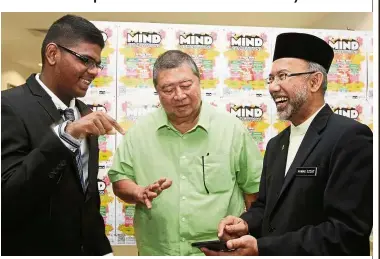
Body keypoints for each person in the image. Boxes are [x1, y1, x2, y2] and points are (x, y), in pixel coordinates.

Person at [201, 32, 373, 256]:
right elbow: (265, 206)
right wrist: (244, 224)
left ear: (314, 81)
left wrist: (262, 248)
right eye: (271, 79)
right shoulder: (276, 144)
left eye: (283, 76)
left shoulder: (350, 137)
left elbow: (345, 232)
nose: (273, 87)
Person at [108, 50, 263, 255]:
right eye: (168, 89)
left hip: (219, 253)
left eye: (186, 85)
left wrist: (251, 236)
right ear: (157, 91)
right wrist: (138, 192)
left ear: (200, 82)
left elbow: (254, 193)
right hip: (157, 251)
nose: (179, 95)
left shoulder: (232, 130)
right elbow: (120, 180)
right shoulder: (138, 133)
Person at [1, 14, 125, 255]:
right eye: (86, 60)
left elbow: (85, 199)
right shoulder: (8, 106)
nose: (94, 71)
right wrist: (65, 136)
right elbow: (8, 197)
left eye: (97, 64)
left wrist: (101, 249)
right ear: (52, 54)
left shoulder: (84, 112)